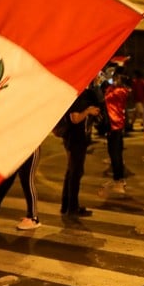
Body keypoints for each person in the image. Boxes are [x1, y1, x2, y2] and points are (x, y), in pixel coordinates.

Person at [59, 87, 102, 218]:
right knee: (75, 173)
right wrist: (88, 111)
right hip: (74, 140)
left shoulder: (81, 95)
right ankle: (72, 208)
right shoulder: (75, 96)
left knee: (72, 172)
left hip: (77, 140)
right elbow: (75, 118)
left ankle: (66, 205)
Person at [0, 148, 42, 230]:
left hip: (30, 148)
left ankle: (33, 218)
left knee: (27, 181)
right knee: (5, 179)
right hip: (14, 148)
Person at [102, 71, 130, 193]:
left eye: (116, 78)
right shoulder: (116, 90)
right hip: (114, 125)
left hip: (115, 125)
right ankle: (118, 176)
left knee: (115, 153)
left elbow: (105, 98)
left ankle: (118, 178)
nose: (113, 80)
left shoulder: (120, 92)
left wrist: (108, 86)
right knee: (114, 151)